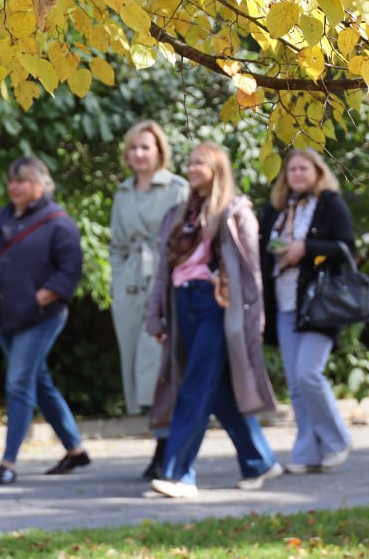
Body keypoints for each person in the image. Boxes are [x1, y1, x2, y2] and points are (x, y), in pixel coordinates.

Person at [143, 142, 282, 499]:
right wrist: (155, 314)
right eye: (189, 162)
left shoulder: (236, 212)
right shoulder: (179, 215)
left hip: (217, 306)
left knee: (194, 387)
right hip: (182, 303)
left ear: (217, 167)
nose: (190, 168)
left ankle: (178, 474)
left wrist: (255, 320)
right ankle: (259, 461)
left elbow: (251, 274)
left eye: (199, 163)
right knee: (218, 390)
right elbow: (163, 270)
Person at [0, 156, 90, 485]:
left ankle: (8, 463)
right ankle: (75, 450)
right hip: (3, 318)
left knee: (18, 383)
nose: (14, 186)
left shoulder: (58, 223)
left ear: (40, 183)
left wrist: (39, 298)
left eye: (22, 180)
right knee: (38, 382)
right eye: (12, 180)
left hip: (41, 318)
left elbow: (69, 271)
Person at [259, 147, 356, 473]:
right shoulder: (276, 210)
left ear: (317, 172)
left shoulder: (329, 204)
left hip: (319, 304)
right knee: (296, 383)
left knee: (308, 374)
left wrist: (306, 248)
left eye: (304, 168)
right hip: (284, 304)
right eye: (292, 169)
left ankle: (337, 440)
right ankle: (308, 453)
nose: (297, 174)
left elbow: (346, 247)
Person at [108, 121, 188, 478]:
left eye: (146, 147)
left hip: (165, 282)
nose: (139, 154)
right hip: (129, 287)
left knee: (158, 368)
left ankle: (165, 447)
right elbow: (116, 246)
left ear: (160, 151)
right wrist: (117, 280)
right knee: (136, 370)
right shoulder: (123, 193)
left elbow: (189, 239)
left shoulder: (177, 189)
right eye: (134, 148)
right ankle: (161, 444)